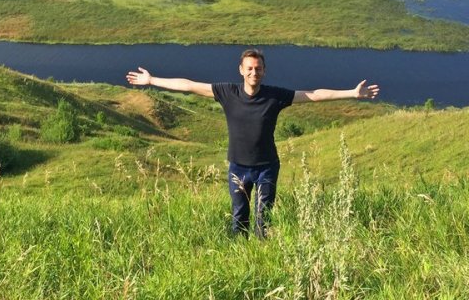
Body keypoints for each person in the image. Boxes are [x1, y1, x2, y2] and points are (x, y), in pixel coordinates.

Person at [126, 48, 379, 237]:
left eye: (258, 68)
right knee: (239, 218)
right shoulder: (228, 92)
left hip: (267, 166)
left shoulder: (275, 96)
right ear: (241, 70)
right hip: (238, 167)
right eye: (249, 68)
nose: (253, 72)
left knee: (263, 219)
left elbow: (314, 95)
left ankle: (262, 256)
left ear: (264, 71)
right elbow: (189, 86)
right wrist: (152, 80)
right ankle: (240, 257)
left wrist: (352, 93)